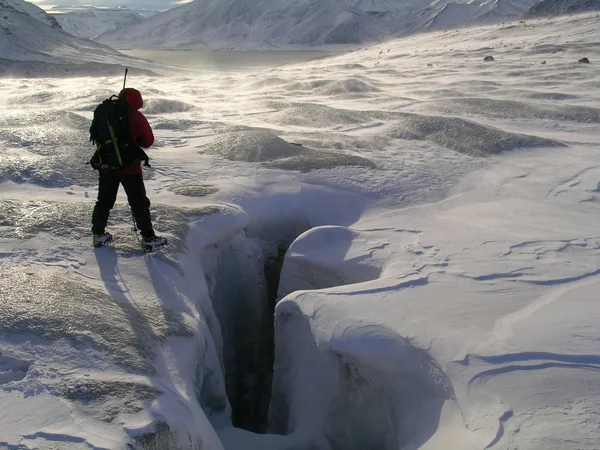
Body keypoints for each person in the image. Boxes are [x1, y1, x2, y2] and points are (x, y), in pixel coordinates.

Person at [91, 87, 166, 249]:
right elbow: (148, 141)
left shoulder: (104, 113)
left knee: (104, 200)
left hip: (106, 165)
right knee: (138, 202)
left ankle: (98, 235)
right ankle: (148, 237)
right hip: (130, 168)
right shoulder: (135, 116)